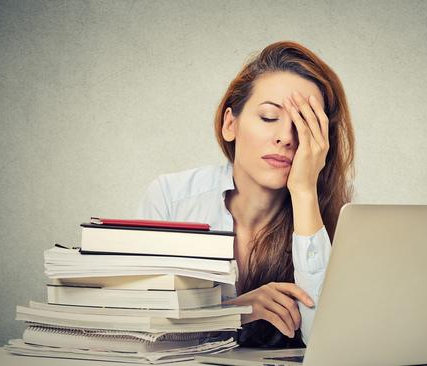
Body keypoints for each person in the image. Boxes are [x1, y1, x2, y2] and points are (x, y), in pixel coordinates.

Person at [137, 41, 355, 347]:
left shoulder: (335, 217)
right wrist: (233, 313)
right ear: (230, 124)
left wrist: (304, 191)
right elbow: (141, 327)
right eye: (268, 117)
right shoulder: (171, 198)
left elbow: (330, 341)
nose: (286, 137)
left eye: (305, 126)